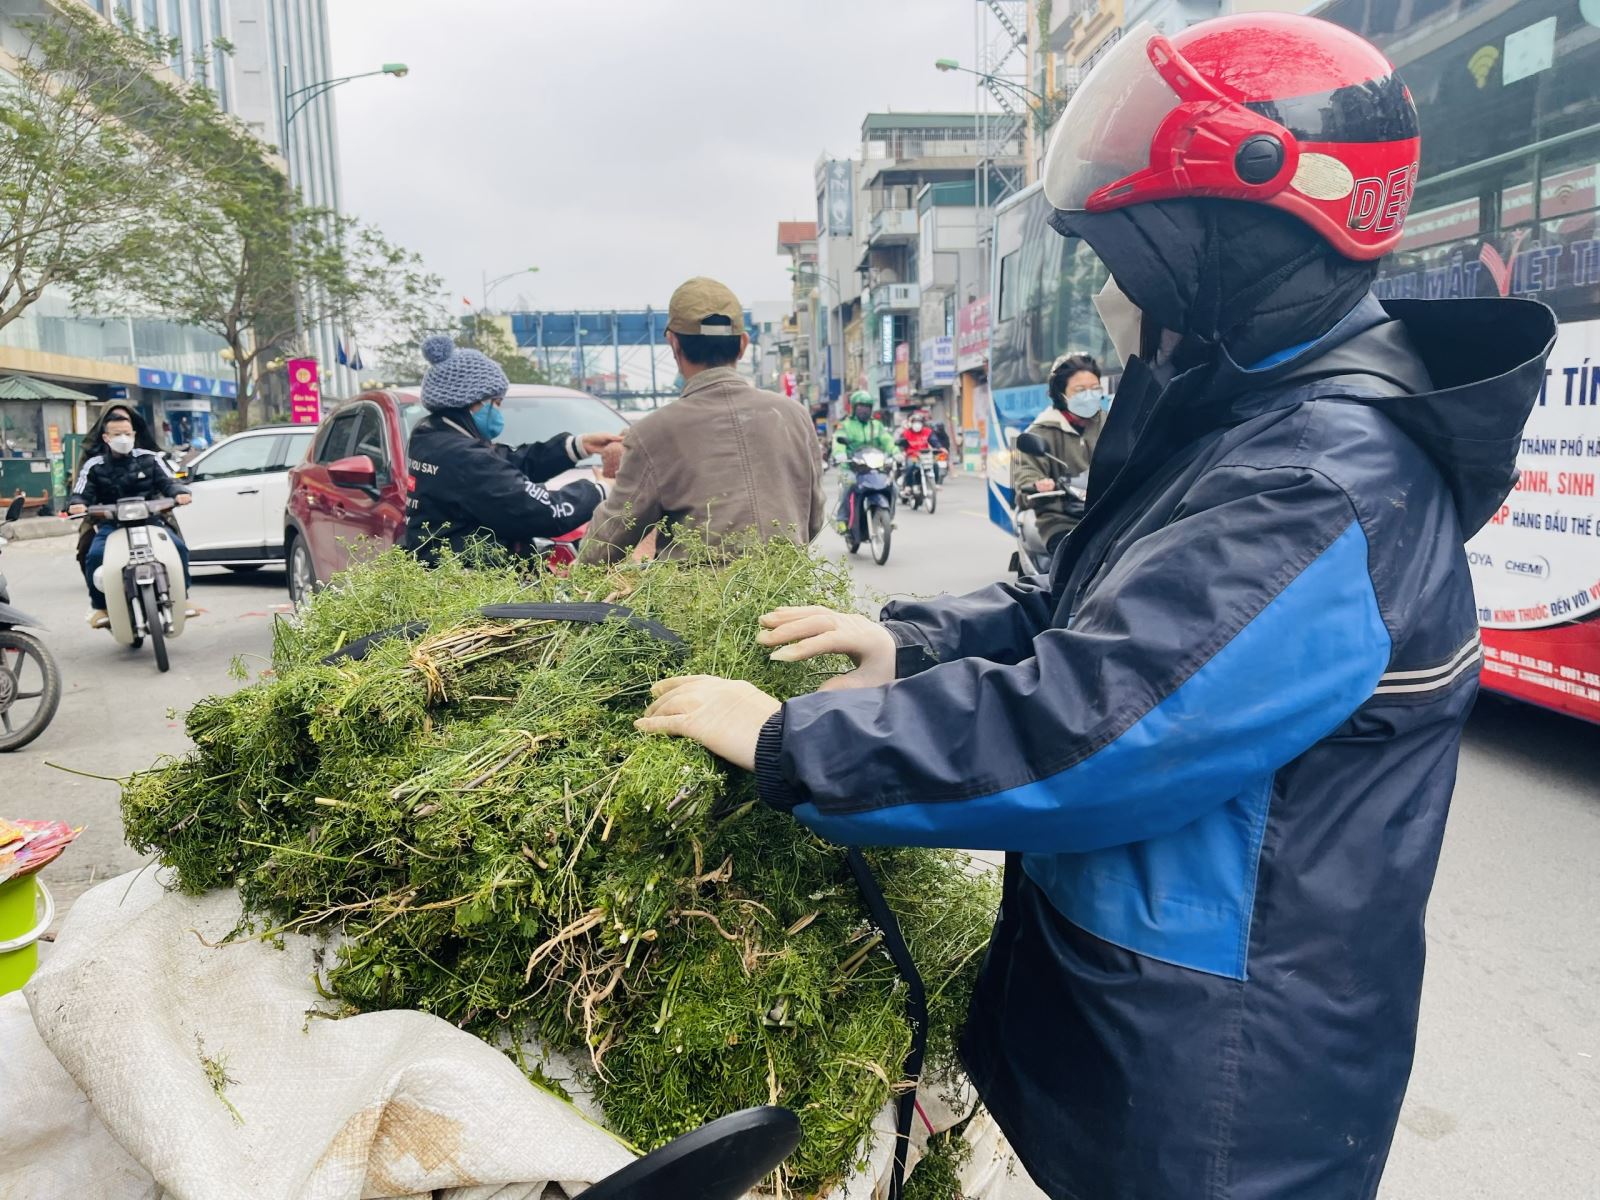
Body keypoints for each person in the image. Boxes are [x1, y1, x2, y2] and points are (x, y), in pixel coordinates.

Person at [631, 14, 1555, 1200]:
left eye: (1131, 257)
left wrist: (788, 740)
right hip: (1148, 1030)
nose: (1113, 294)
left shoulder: (1323, 482)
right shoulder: (1240, 418)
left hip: (1225, 1083)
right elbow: (1082, 604)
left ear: (1224, 245)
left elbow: (1103, 722)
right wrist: (907, 644)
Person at [579, 278, 823, 564]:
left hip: (691, 605)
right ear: (743, 344)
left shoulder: (652, 432)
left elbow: (606, 544)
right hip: (792, 601)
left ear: (673, 343)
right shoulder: (794, 415)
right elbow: (813, 520)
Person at [403, 335, 623, 565]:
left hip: (442, 569)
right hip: (471, 579)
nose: (499, 411)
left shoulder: (431, 436)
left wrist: (578, 446)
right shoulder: (464, 456)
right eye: (496, 403)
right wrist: (602, 490)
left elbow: (504, 464)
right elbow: (544, 512)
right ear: (473, 401)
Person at [68, 404, 193, 628]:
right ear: (105, 437)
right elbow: (80, 492)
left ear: (134, 433)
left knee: (179, 548)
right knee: (93, 556)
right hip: (111, 524)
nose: (123, 438)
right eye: (117, 434)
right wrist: (77, 504)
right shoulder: (93, 464)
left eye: (127, 433)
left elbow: (169, 482)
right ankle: (99, 607)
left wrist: (180, 492)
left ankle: (183, 598)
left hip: (151, 521)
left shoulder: (151, 458)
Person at [1010, 353, 1106, 553]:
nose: (1089, 395)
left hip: (1107, 513)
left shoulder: (1112, 423)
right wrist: (1038, 482)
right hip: (1060, 520)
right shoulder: (1040, 431)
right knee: (1074, 559)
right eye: (1080, 390)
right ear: (1061, 394)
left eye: (1095, 389)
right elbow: (1024, 471)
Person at [831, 391, 895, 532]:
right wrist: (840, 454)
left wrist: (896, 452)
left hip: (872, 466)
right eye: (861, 406)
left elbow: (887, 441)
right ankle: (842, 519)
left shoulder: (876, 425)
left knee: (891, 484)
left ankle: (888, 517)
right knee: (849, 484)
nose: (864, 409)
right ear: (854, 407)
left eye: (867, 406)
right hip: (851, 466)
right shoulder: (845, 425)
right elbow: (838, 442)